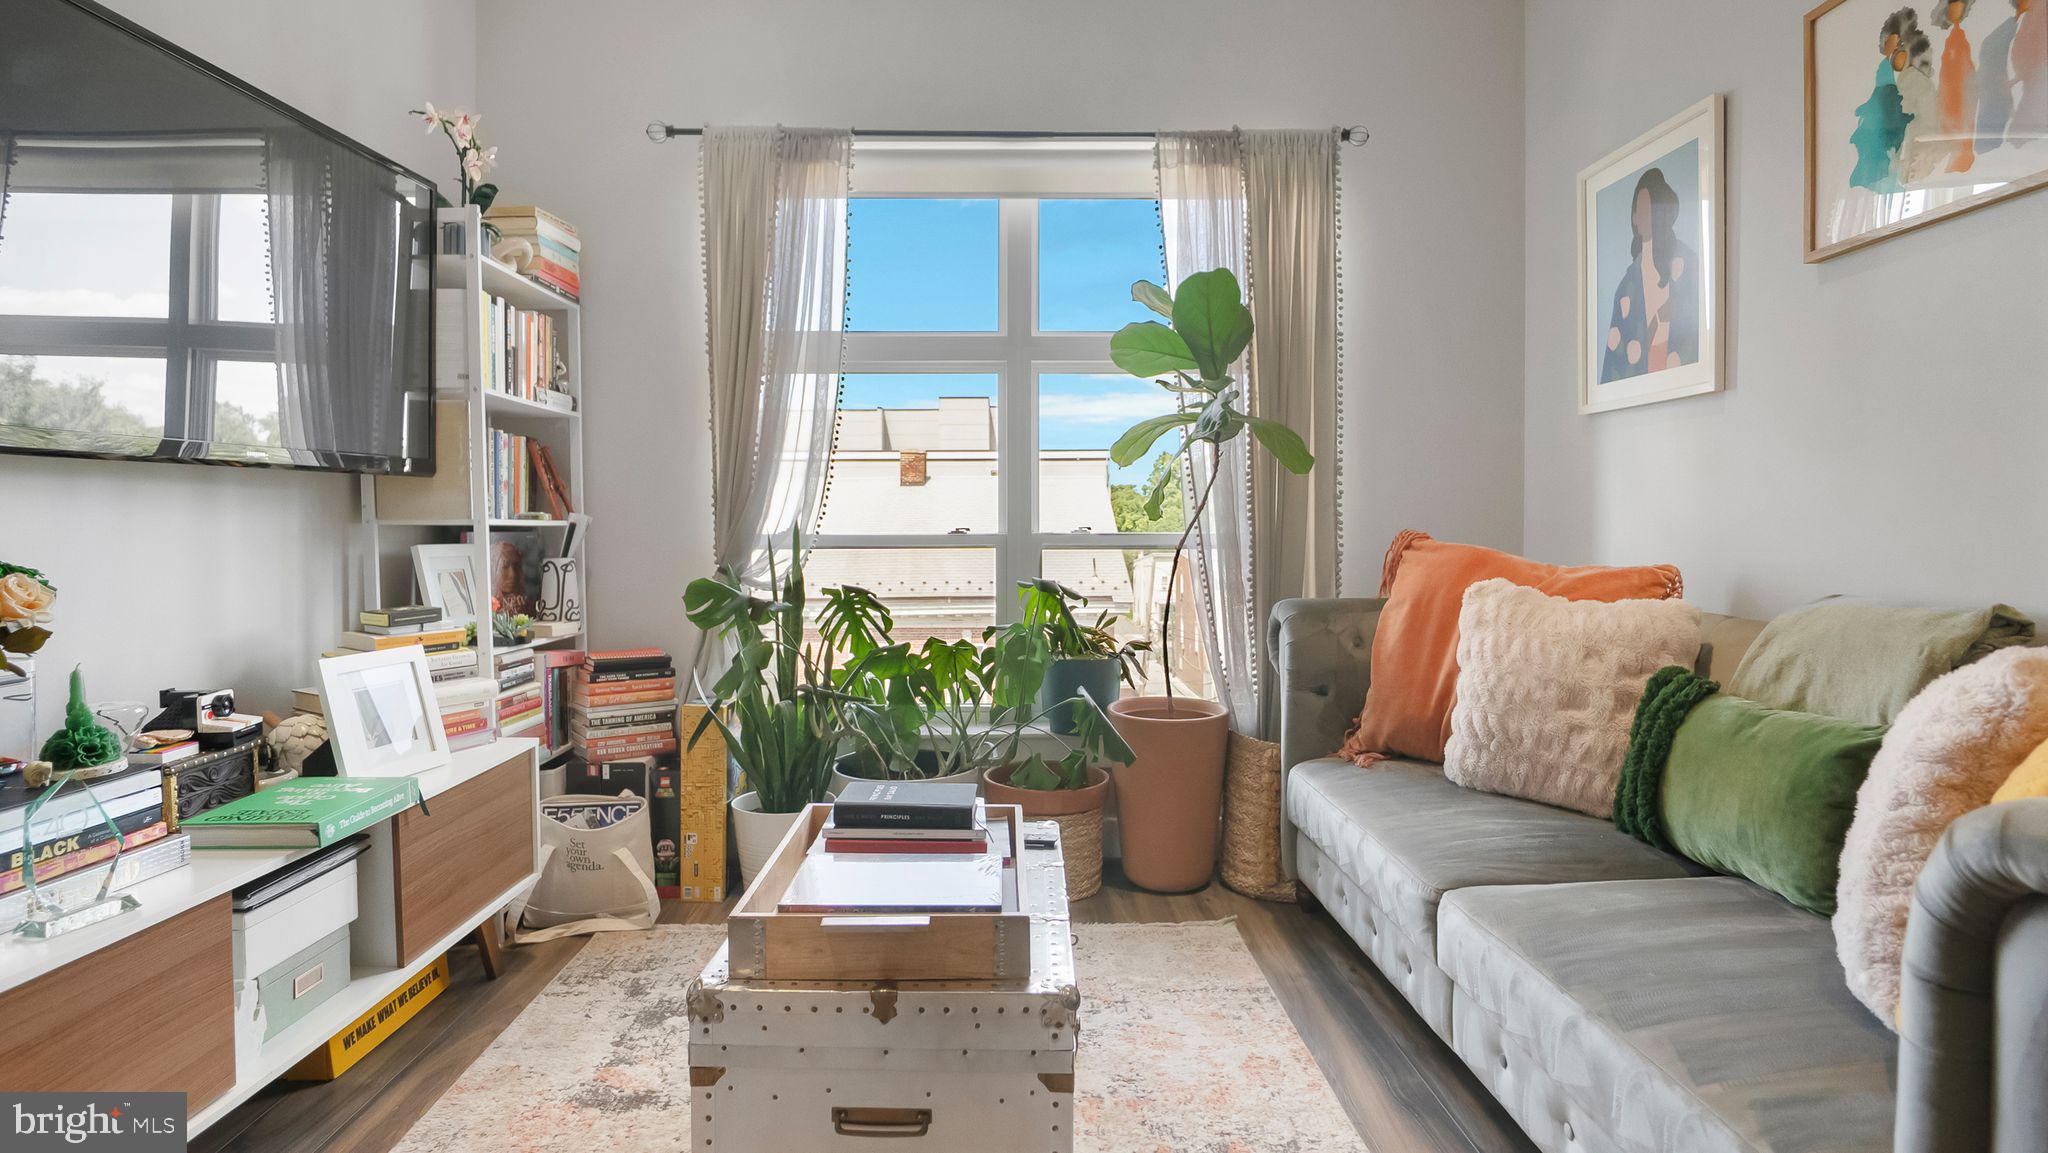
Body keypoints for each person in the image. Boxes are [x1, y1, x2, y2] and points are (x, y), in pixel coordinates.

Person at [1600, 168, 1698, 384]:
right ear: (1634, 217)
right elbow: (1615, 362)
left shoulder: (1687, 264)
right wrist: (1658, 319)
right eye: (1640, 209)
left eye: (1651, 208)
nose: (1644, 216)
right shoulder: (1626, 287)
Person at [1853, 9, 1919, 189]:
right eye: (1890, 46)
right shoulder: (1884, 71)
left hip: (1895, 132)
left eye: (1898, 46)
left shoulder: (1911, 76)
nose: (1894, 52)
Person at [1935, 0, 1981, 172]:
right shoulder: (1951, 39)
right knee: (1952, 130)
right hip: (1951, 94)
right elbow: (1946, 72)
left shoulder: (1960, 40)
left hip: (1959, 96)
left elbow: (1966, 71)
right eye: (1952, 11)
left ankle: (1961, 161)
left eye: (1958, 11)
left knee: (1961, 130)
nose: (1955, 14)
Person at [1898, 28, 1944, 182]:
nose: (1930, 71)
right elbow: (1930, 127)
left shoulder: (1895, 89)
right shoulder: (1922, 84)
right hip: (1918, 158)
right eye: (1925, 64)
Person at [1978, 0, 2022, 153]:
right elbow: (1989, 51)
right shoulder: (2007, 28)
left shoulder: (2014, 25)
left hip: (1998, 96)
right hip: (1996, 96)